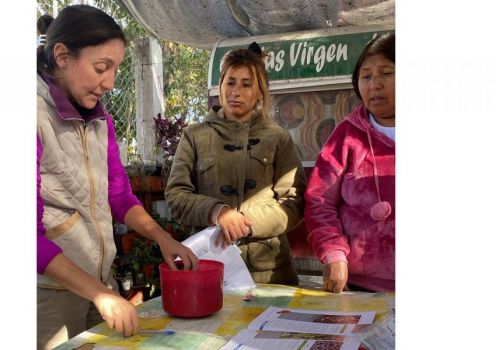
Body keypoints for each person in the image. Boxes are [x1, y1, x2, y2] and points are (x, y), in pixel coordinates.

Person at [36, 5, 198, 350]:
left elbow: (120, 194)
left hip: (97, 282)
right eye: (101, 68)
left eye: (115, 69)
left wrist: (161, 238)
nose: (109, 83)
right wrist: (100, 294)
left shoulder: (99, 119)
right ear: (62, 56)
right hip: (47, 294)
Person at [164, 42, 306, 286]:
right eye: (230, 82)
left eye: (246, 84)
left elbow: (294, 204)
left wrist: (245, 222)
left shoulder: (278, 138)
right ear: (220, 86)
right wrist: (218, 213)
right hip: (210, 267)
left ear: (260, 92)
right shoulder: (195, 135)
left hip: (271, 272)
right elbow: (176, 196)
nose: (235, 92)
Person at [304, 32, 395, 293]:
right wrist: (333, 253)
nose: (374, 84)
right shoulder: (346, 136)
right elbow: (319, 201)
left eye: (386, 73)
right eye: (366, 76)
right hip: (358, 286)